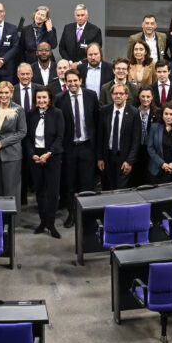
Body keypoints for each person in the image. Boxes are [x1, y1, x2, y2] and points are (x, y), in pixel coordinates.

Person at [54, 69, 99, 227]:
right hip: (69, 148)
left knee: (87, 183)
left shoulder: (91, 95)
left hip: (87, 146)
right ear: (65, 83)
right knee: (70, 183)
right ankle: (72, 214)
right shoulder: (60, 99)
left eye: (75, 80)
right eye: (69, 81)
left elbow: (96, 122)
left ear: (80, 80)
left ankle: (86, 216)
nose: (72, 84)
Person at [26, 87, 64, 238]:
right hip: (36, 157)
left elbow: (60, 137)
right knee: (40, 191)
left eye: (44, 98)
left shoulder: (57, 114)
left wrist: (49, 153)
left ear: (49, 99)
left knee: (53, 192)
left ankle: (51, 223)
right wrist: (32, 154)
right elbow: (28, 138)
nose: (41, 100)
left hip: (52, 156)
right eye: (39, 98)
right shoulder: (30, 115)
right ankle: (43, 222)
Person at [0, 82, 27, 213]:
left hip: (11, 155)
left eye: (6, 93)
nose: (3, 95)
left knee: (11, 189)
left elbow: (22, 132)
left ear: (11, 94)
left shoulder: (18, 109)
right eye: (1, 93)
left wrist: (2, 143)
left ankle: (12, 220)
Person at [97, 83, 141, 190]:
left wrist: (130, 161)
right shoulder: (104, 111)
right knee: (107, 187)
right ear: (111, 95)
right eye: (115, 93)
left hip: (124, 158)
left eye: (121, 93)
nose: (118, 96)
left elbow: (136, 140)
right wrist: (100, 158)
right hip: (108, 157)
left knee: (122, 190)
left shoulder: (134, 113)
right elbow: (100, 136)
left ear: (126, 95)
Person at [132, 87, 159, 187]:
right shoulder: (133, 111)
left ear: (152, 97)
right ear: (139, 96)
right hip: (136, 150)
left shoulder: (157, 113)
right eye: (143, 96)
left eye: (148, 96)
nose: (145, 99)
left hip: (151, 151)